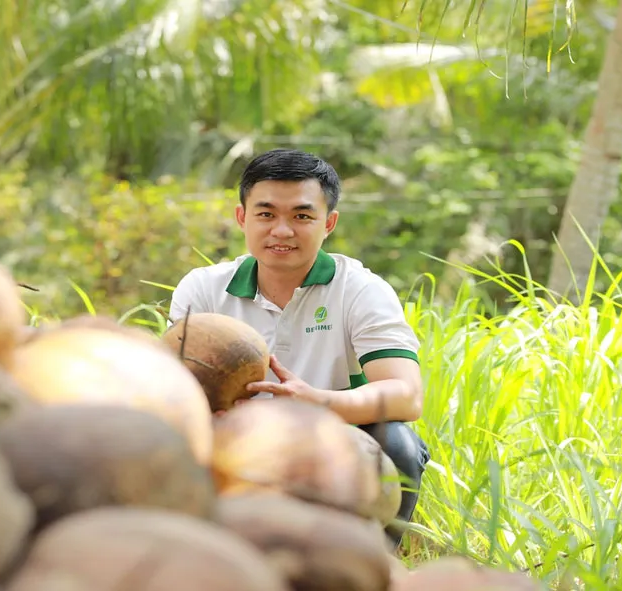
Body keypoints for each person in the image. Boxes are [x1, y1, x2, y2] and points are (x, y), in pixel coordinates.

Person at [167, 148, 429, 548]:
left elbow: (406, 396)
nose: (282, 231)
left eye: (302, 216)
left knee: (398, 444)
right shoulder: (203, 288)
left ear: (330, 223)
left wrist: (316, 401)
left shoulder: (361, 290)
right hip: (229, 433)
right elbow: (172, 386)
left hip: (334, 436)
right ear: (242, 218)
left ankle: (379, 560)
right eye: (266, 214)